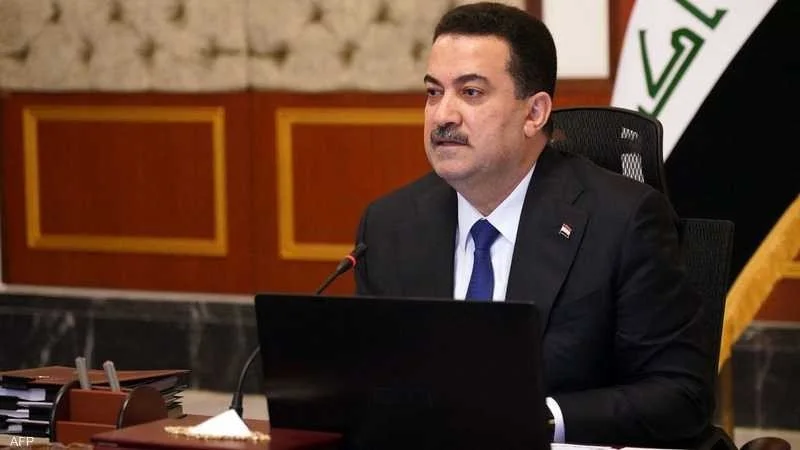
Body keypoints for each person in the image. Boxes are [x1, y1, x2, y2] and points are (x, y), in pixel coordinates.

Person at [353, 2, 716, 447]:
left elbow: (680, 396)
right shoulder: (389, 226)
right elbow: (370, 384)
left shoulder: (623, 221)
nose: (443, 115)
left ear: (535, 113)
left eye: (471, 92)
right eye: (433, 92)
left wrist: (538, 418)